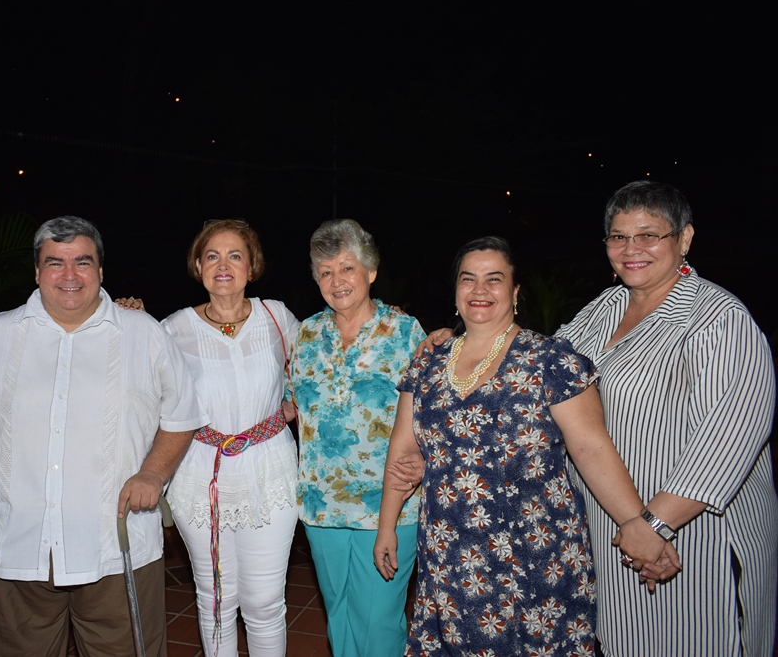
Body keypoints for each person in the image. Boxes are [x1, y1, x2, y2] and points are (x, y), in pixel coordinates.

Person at [374, 236, 674, 656]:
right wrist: (386, 526)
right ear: (455, 291)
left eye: (494, 279)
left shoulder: (550, 360)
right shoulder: (427, 362)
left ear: (515, 293)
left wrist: (636, 522)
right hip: (450, 550)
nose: (479, 290)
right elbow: (403, 452)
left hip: (535, 553)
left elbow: (591, 448)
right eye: (468, 279)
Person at [0, 215, 209, 657]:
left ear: (100, 269)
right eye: (54, 262)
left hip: (115, 546)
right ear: (36, 271)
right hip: (13, 546)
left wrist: (154, 473)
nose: (70, 275)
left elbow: (183, 413)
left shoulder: (144, 334)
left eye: (82, 262)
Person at [556, 181, 778, 657]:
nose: (631, 249)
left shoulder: (718, 318)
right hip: (619, 532)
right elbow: (540, 367)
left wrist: (653, 525)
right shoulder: (605, 308)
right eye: (618, 237)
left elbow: (731, 436)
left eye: (648, 235)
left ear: (685, 238)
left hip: (695, 538)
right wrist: (462, 340)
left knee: (699, 641)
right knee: (629, 641)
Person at [287, 219, 426, 657]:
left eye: (347, 268)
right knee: (340, 616)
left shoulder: (405, 332)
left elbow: (432, 413)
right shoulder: (305, 334)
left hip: (389, 504)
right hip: (321, 505)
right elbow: (290, 405)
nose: (337, 281)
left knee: (379, 623)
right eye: (325, 272)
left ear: (371, 272)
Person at [162, 219, 299, 657]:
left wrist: (288, 407)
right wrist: (127, 312)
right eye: (212, 256)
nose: (223, 265)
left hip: (270, 471)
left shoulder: (277, 316)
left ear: (251, 267)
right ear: (198, 267)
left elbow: (317, 370)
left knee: (265, 601)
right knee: (216, 600)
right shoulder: (173, 329)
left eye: (235, 255)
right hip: (201, 473)